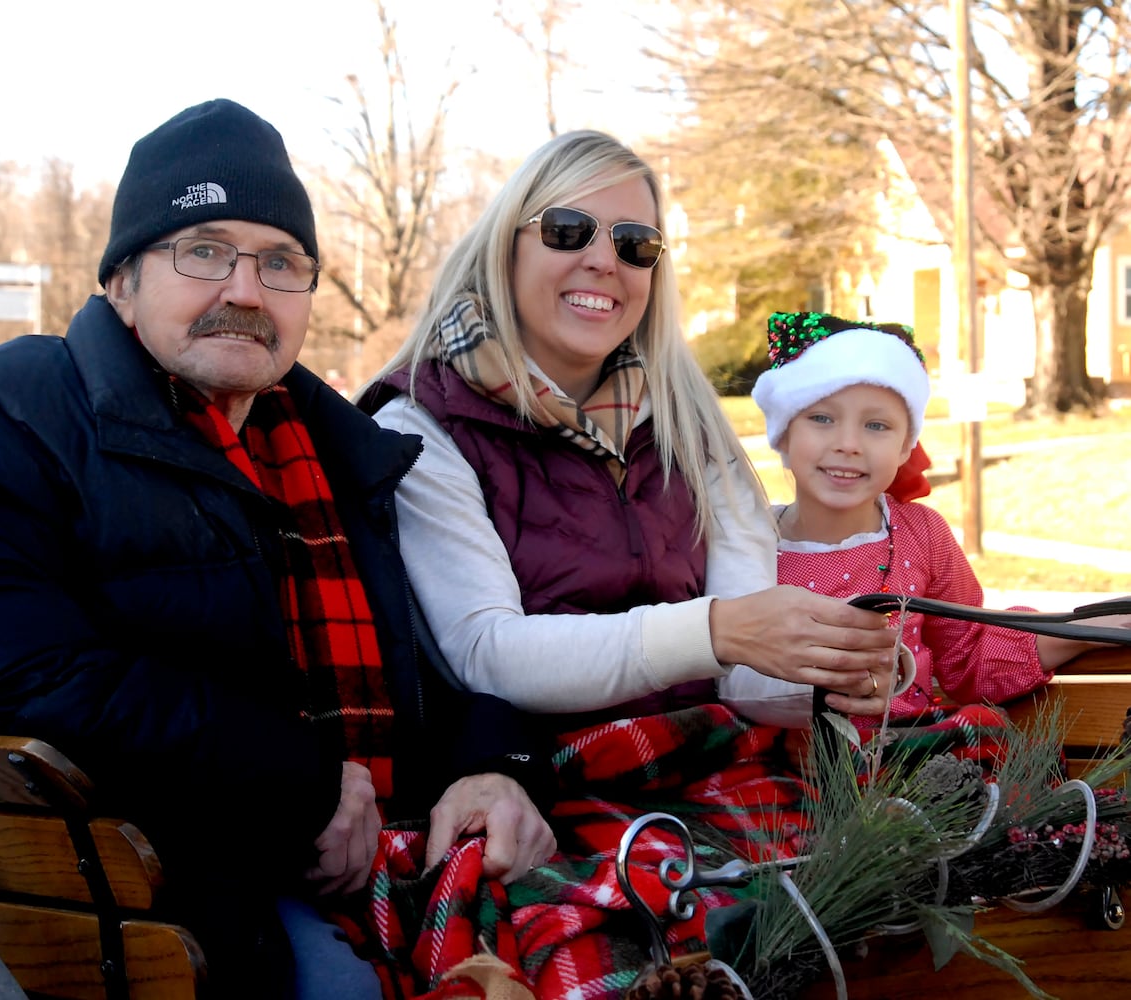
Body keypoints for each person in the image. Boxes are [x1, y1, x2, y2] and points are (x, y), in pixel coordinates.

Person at [0, 98, 555, 999]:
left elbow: (450, 656)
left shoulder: (350, 455)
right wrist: (300, 785)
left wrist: (491, 764)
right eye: (204, 251)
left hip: (395, 850)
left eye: (280, 262)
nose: (245, 289)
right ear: (121, 280)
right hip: (168, 893)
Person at [351, 130, 905, 998]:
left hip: (714, 765)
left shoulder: (689, 417)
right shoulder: (422, 420)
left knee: (888, 922)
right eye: (569, 230)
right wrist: (718, 630)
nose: (605, 261)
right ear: (509, 242)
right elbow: (484, 650)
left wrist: (825, 673)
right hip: (542, 784)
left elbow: (744, 676)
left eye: (635, 244)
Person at [751, 310, 1131, 720]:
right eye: (821, 418)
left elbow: (967, 657)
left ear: (904, 449)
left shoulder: (922, 534)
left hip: (908, 764)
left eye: (876, 425)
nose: (848, 444)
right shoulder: (743, 542)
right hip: (778, 763)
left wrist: (1087, 631)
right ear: (783, 435)